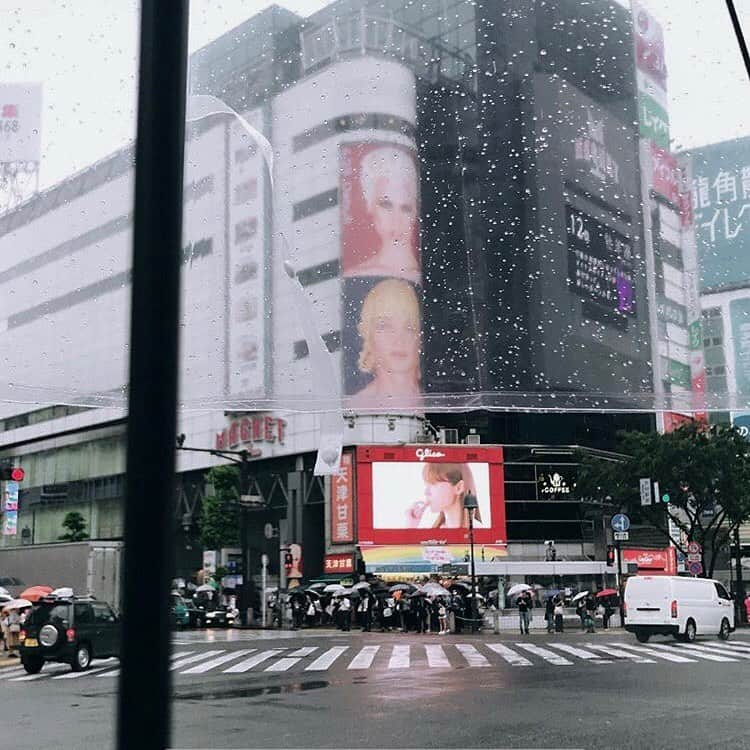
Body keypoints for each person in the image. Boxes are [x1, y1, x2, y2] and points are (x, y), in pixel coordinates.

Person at [343, 144, 420, 284]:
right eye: (386, 205)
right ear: (369, 205)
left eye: (406, 208)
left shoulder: (426, 279)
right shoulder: (352, 276)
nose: (396, 220)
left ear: (415, 212)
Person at [348, 278, 422, 408]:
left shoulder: (440, 400)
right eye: (385, 326)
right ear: (368, 333)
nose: (399, 340)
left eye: (409, 327)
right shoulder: (355, 408)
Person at [405, 463, 482, 530]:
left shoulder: (479, 534)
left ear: (458, 488)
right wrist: (411, 526)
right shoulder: (432, 535)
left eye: (433, 484)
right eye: (427, 485)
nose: (426, 492)